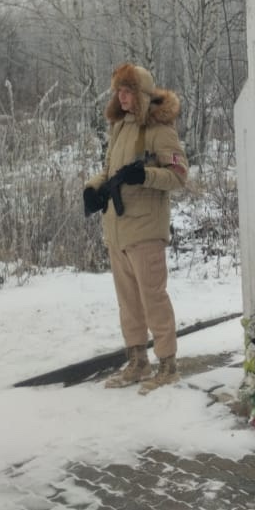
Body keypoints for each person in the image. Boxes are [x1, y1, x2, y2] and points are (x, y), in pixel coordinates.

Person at [84, 63, 188, 394]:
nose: (121, 97)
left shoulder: (160, 129)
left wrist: (145, 175)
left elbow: (179, 174)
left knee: (152, 297)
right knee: (128, 301)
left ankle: (167, 364)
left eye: (127, 91)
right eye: (118, 91)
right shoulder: (120, 127)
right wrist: (93, 187)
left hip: (145, 229)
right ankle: (138, 361)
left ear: (141, 94)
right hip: (117, 228)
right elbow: (109, 168)